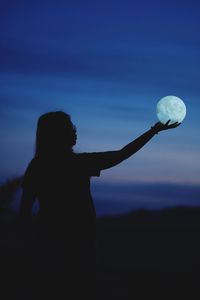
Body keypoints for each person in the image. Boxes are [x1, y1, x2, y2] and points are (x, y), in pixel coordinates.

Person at [19, 111, 180, 299]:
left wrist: (29, 249)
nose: (75, 131)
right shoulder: (77, 163)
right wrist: (153, 131)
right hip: (75, 250)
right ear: (59, 133)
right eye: (70, 127)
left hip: (50, 247)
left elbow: (24, 211)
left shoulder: (38, 165)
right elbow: (122, 155)